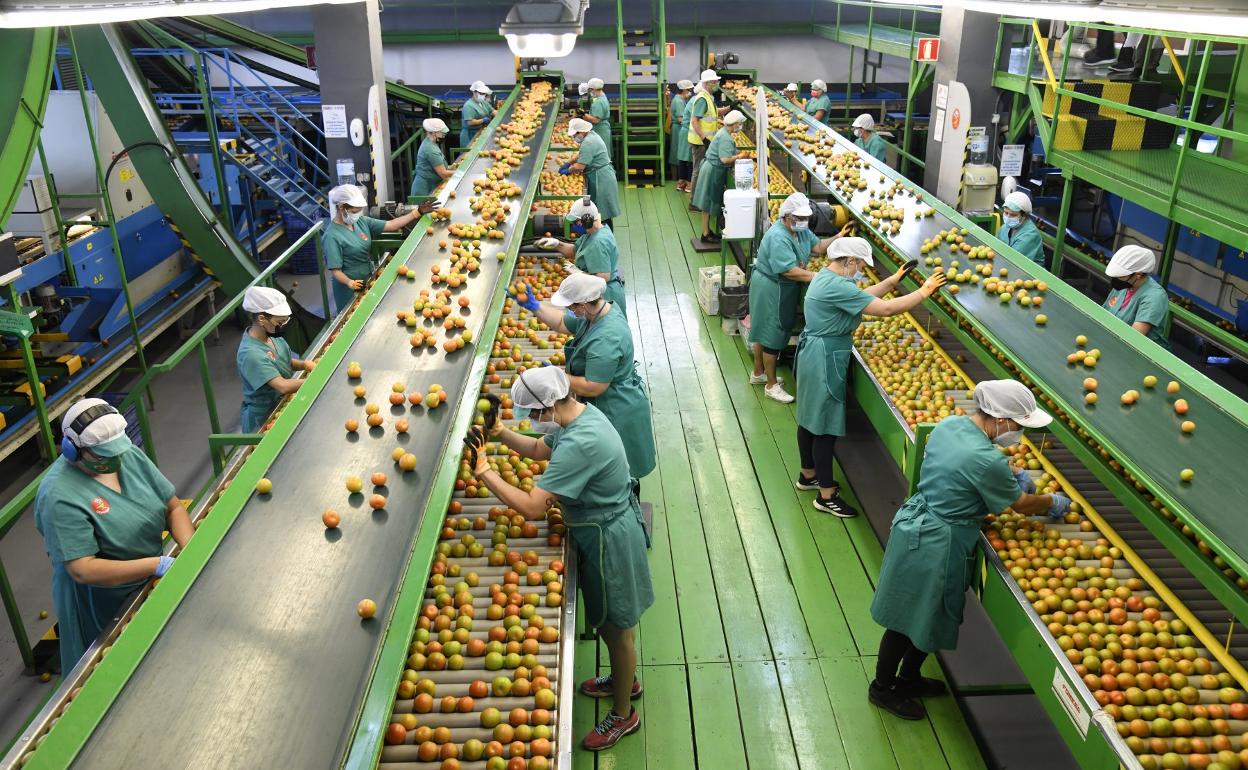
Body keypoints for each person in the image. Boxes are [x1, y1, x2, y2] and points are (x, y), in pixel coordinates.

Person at [465, 366, 652, 751]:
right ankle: (623, 679)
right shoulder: (579, 416)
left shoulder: (581, 443)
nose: (533, 422)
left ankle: (623, 714)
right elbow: (538, 449)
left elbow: (533, 507)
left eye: (533, 415)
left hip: (609, 539)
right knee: (606, 619)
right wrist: (501, 434)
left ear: (548, 406)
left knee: (618, 629)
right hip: (597, 528)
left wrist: (483, 471)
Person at [868, 380, 1070, 719]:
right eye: (1018, 425)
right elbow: (1020, 505)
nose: (1019, 432)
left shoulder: (951, 425)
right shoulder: (985, 458)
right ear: (1001, 420)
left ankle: (908, 678)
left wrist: (1008, 471)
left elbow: (963, 469)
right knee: (906, 619)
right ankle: (882, 688)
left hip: (921, 524)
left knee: (929, 613)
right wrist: (1051, 501)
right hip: (937, 542)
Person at [34, 398, 195, 668]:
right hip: (103, 601)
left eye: (117, 451)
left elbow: (173, 507)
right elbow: (82, 569)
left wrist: (191, 549)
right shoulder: (58, 495)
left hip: (148, 577)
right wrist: (157, 564)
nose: (115, 460)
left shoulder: (125, 455)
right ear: (73, 450)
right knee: (121, 665)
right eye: (103, 455)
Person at [795, 238, 946, 517]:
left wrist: (892, 281)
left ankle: (808, 474)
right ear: (850, 261)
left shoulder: (825, 277)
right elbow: (885, 309)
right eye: (861, 264)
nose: (861, 269)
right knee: (825, 427)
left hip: (814, 353)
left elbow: (862, 296)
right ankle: (826, 495)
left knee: (809, 417)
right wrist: (924, 292)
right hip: (825, 358)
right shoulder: (837, 284)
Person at [513, 273, 656, 487]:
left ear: (584, 305)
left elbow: (594, 385)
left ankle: (626, 507)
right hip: (604, 401)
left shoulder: (607, 336)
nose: (570, 311)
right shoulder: (595, 314)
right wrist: (534, 307)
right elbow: (562, 322)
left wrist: (558, 378)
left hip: (616, 408)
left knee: (620, 473)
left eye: (572, 306)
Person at [748, 193, 855, 402]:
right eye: (798, 219)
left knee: (762, 328)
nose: (802, 222)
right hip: (773, 287)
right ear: (786, 217)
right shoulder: (778, 236)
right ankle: (771, 385)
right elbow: (789, 271)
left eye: (805, 218)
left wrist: (839, 236)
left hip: (780, 287)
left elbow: (818, 247)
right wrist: (820, 277)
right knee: (773, 334)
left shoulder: (801, 231)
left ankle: (759, 373)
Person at [323, 184, 434, 314]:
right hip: (348, 290)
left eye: (358, 211)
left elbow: (391, 225)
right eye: (354, 212)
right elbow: (335, 271)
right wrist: (350, 283)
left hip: (367, 278)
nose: (357, 214)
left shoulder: (360, 221)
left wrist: (417, 212)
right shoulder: (332, 236)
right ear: (342, 207)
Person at [237, 286, 314, 433]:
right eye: (279, 323)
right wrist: (317, 380)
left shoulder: (272, 336)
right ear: (261, 319)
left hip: (281, 404)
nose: (282, 327)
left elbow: (285, 362)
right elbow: (283, 386)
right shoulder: (251, 354)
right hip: (264, 418)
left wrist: (304, 364)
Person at [534, 197, 627, 314]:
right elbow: (573, 251)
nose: (574, 225)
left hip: (604, 295)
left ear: (586, 221)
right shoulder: (594, 233)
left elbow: (603, 278)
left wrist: (578, 273)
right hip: (594, 292)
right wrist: (556, 244)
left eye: (576, 222)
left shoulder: (598, 243)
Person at [691, 109, 748, 243]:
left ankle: (707, 231)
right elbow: (724, 159)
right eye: (739, 124)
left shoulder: (723, 133)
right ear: (733, 124)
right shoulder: (725, 138)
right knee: (708, 202)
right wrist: (740, 156)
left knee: (707, 202)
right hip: (713, 171)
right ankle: (705, 234)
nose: (740, 126)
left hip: (710, 168)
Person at [1103, 245, 1171, 350]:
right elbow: (1103, 314)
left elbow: (1134, 338)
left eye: (1120, 275)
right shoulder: (1124, 285)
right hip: (1112, 343)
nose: (1116, 279)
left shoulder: (1154, 297)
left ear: (1138, 274)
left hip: (1143, 355)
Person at [560, 118, 621, 229]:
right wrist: (568, 163)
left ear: (582, 131)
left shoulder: (589, 142)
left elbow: (579, 167)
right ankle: (604, 234)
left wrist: (568, 170)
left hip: (602, 179)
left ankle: (605, 237)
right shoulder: (591, 135)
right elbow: (580, 155)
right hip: (601, 174)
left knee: (603, 214)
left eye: (575, 135)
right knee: (601, 212)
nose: (574, 138)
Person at [687, 70, 730, 204]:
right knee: (698, 171)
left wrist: (731, 107)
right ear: (707, 83)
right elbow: (695, 120)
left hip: (705, 141)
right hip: (700, 142)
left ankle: (698, 200)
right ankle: (693, 202)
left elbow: (715, 113)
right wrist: (704, 139)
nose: (717, 83)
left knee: (700, 170)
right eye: (715, 82)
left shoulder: (708, 97)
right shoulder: (702, 99)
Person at [997, 191, 1045, 267]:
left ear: (1024, 216)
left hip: (1029, 274)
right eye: (1006, 213)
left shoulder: (1030, 235)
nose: (1008, 217)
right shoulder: (1005, 228)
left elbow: (1013, 261)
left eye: (1013, 215)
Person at [410, 118, 454, 198]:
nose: (444, 135)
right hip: (424, 189)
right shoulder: (430, 149)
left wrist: (451, 167)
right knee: (422, 210)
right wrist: (459, 173)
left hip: (430, 184)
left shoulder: (431, 143)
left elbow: (435, 165)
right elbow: (443, 173)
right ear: (434, 133)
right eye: (442, 133)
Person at [668, 79, 694, 192]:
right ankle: (681, 181)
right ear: (684, 90)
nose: (690, 92)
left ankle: (680, 181)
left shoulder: (681, 100)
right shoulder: (678, 101)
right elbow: (680, 119)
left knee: (681, 155)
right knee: (681, 155)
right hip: (680, 130)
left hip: (681, 129)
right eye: (689, 90)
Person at [460, 81, 495, 151]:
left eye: (484, 94)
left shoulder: (483, 103)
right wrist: (483, 120)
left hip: (480, 132)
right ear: (474, 92)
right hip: (470, 135)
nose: (483, 95)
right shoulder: (468, 105)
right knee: (468, 155)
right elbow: (470, 122)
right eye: (481, 93)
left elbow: (493, 111)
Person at [585, 78, 612, 161]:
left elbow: (596, 120)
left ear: (593, 89)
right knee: (604, 152)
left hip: (600, 130)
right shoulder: (603, 97)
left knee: (601, 155)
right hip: (603, 129)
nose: (590, 92)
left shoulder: (598, 102)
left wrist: (583, 115)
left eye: (590, 90)